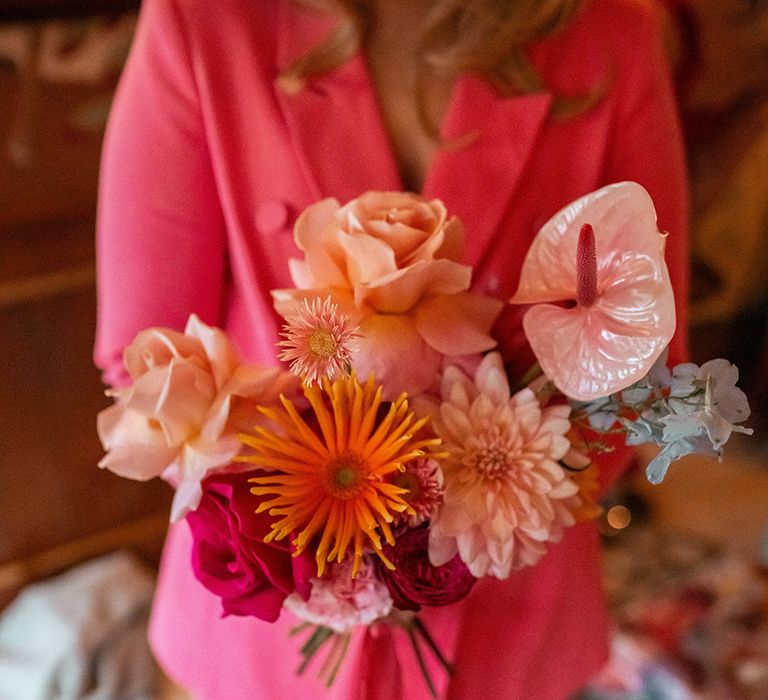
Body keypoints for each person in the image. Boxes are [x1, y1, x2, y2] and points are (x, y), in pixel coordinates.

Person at [94, 0, 689, 697]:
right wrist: (320, 527)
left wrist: (483, 506)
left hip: (513, 611)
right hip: (269, 619)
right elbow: (144, 361)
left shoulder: (607, 28)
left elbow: (648, 364)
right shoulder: (203, 20)